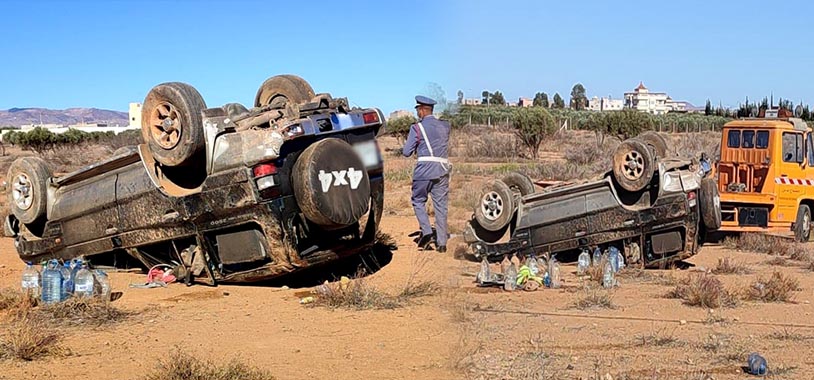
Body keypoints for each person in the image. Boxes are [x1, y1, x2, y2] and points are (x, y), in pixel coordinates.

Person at [402, 95, 451, 252]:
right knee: (441, 206)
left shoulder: (417, 128)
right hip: (442, 170)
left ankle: (427, 231)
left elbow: (406, 152)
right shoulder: (445, 126)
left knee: (418, 201)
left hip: (424, 171)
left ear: (423, 110)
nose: (417, 112)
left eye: (418, 109)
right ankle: (442, 244)